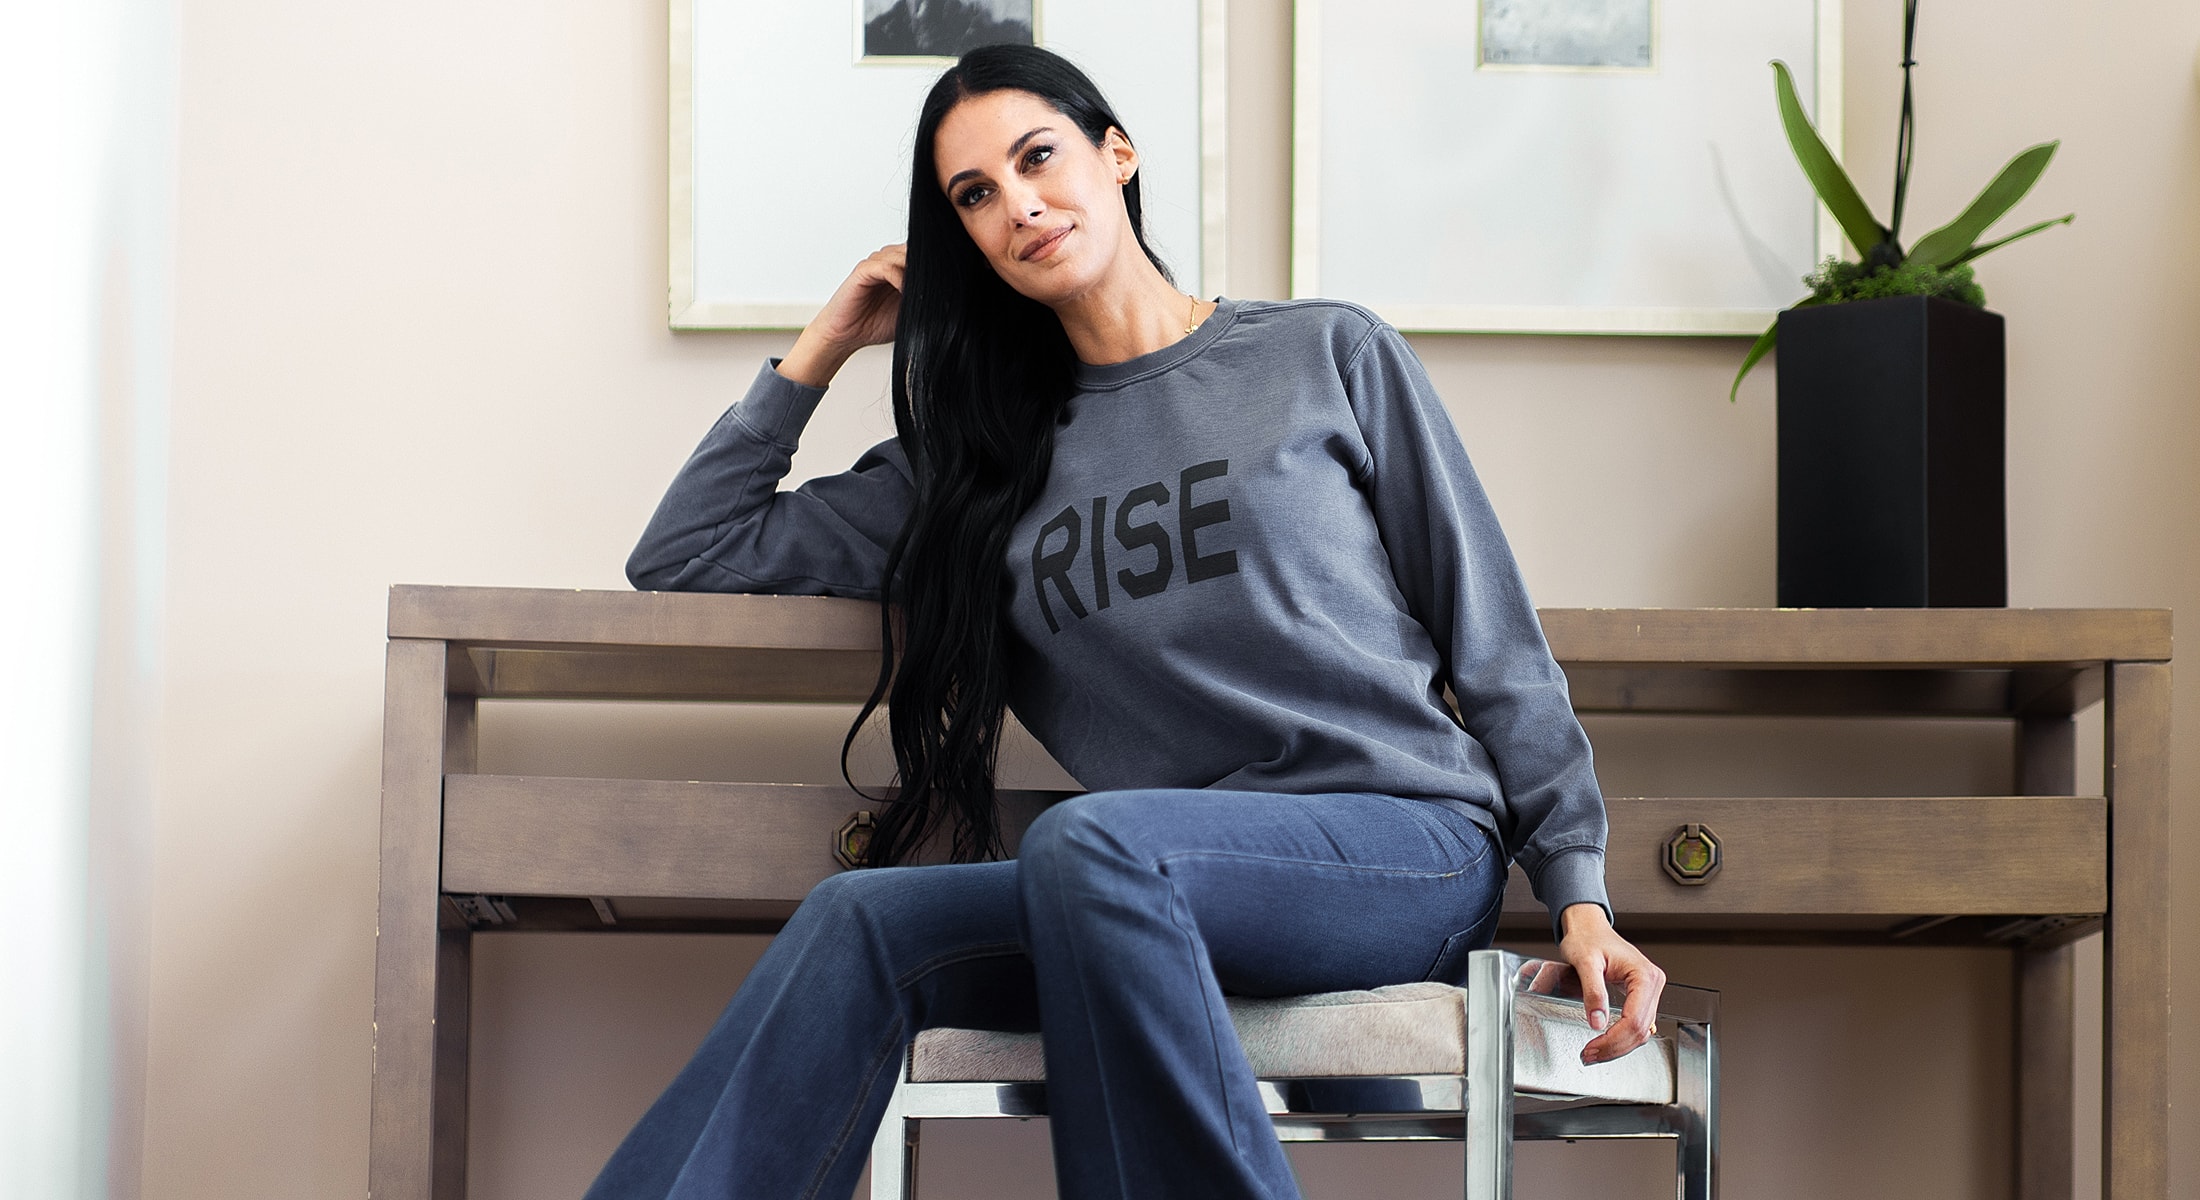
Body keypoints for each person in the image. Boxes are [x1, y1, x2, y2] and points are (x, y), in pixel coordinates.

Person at [591, 43, 1665, 1200]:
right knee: (861, 920)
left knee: (1090, 841)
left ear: (1117, 153)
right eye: (975, 197)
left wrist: (1579, 892)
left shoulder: (1322, 355)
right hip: (1133, 887)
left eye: (1036, 158)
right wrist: (820, 349)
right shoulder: (973, 465)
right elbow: (685, 554)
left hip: (1400, 849)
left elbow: (1490, 634)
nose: (1019, 206)